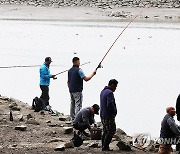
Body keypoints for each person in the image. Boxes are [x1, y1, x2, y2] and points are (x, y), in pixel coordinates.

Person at [100, 79, 118, 151]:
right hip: (108, 115)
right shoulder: (110, 93)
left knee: (105, 131)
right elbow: (110, 104)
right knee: (111, 130)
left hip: (102, 114)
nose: (115, 88)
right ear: (112, 85)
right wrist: (114, 112)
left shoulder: (103, 91)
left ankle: (103, 146)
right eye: (115, 87)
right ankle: (106, 147)